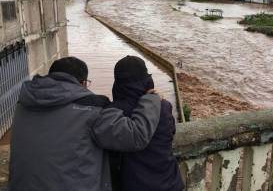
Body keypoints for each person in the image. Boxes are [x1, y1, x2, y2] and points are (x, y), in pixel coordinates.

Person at [9, 57, 161, 191]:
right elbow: (136, 135)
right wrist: (152, 99)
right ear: (82, 83)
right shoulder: (93, 108)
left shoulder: (24, 103)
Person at [109, 56, 184, 191]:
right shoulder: (164, 106)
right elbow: (171, 132)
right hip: (170, 183)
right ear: (146, 79)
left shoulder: (113, 113)